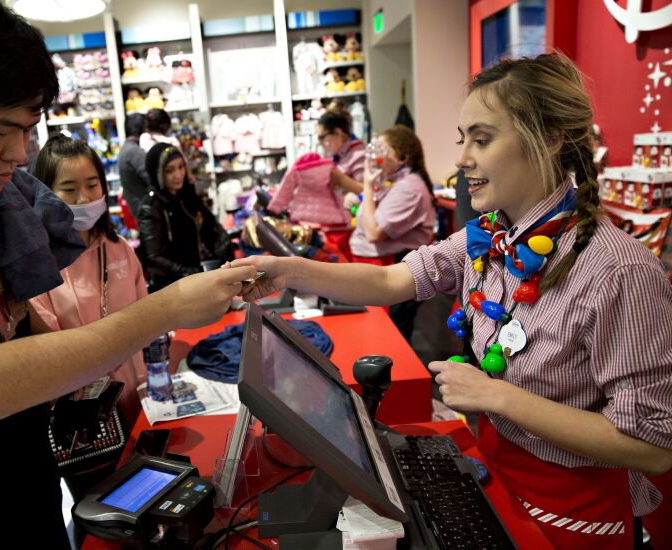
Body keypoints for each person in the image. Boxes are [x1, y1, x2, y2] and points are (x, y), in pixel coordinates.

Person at [0, 1, 256, 548]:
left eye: (29, 130)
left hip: (19, 486)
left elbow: (9, 323)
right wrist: (168, 306)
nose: (19, 155)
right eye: (2, 130)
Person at [233, 53, 672, 548]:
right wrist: (287, 269)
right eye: (463, 140)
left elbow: (652, 444)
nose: (462, 159)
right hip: (493, 480)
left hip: (572, 517)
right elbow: (393, 281)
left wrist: (495, 395)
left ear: (549, 139)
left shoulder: (620, 270)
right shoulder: (488, 236)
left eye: (482, 140)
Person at [29, 134, 147, 492]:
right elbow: (46, 344)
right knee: (98, 510)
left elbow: (146, 315)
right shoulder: (37, 263)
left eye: (92, 185)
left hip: (137, 403)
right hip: (84, 422)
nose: (85, 199)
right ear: (45, 192)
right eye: (69, 189)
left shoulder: (118, 247)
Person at [349, 125, 436, 342]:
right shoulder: (396, 183)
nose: (376, 154)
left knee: (389, 338)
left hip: (394, 265)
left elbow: (374, 232)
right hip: (382, 263)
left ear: (403, 158)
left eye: (383, 149)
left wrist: (367, 187)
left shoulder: (409, 188)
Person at [137, 142, 234, 291]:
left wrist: (223, 251)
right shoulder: (151, 206)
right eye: (169, 170)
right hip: (173, 288)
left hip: (197, 279)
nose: (178, 174)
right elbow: (152, 258)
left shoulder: (185, 196)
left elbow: (210, 225)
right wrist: (189, 273)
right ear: (158, 173)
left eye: (181, 167)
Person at [315, 111, 365, 260]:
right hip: (338, 227)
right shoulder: (340, 154)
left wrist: (339, 178)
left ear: (337, 133)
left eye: (322, 137)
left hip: (350, 230)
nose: (320, 142)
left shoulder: (358, 153)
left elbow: (366, 192)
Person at [118, 112, 150, 218]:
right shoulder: (134, 151)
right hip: (145, 209)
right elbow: (151, 178)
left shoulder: (126, 149)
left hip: (138, 207)